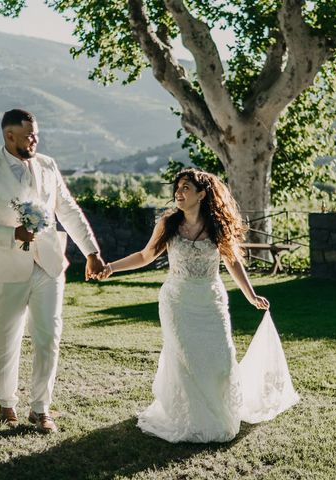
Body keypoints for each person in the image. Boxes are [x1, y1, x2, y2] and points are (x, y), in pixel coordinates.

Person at [97, 168, 299, 443]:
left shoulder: (217, 226)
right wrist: (111, 267)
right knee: (186, 360)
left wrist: (251, 295)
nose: (178, 193)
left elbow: (232, 262)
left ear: (202, 194)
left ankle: (219, 413)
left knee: (220, 360)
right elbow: (145, 256)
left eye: (185, 188)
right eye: (177, 188)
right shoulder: (168, 223)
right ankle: (190, 418)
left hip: (210, 301)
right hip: (177, 302)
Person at [0, 109, 105, 433]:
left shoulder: (48, 165)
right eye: (29, 135)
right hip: (6, 267)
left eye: (37, 134)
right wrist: (12, 235)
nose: (35, 140)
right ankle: (7, 403)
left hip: (49, 264)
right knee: (7, 337)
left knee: (48, 337)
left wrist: (91, 252)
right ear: (9, 136)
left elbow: (67, 209)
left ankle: (41, 408)